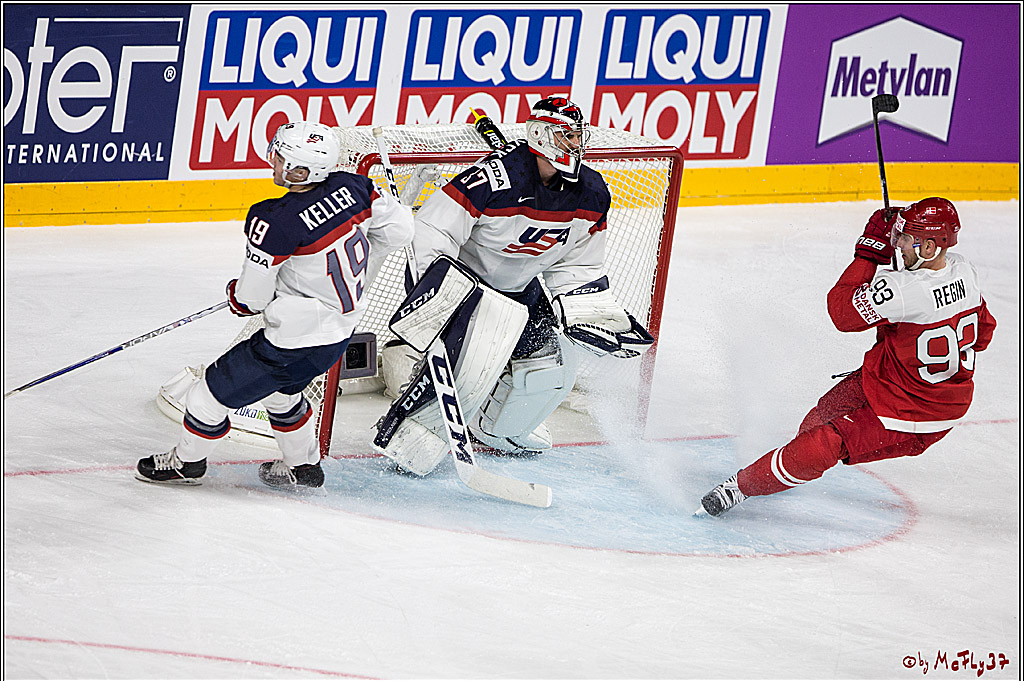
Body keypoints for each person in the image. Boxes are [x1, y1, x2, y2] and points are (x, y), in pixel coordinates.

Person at [372, 96, 653, 476]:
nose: (574, 144)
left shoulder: (590, 192)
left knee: (550, 369)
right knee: (469, 368)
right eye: (564, 135)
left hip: (521, 286)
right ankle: (413, 433)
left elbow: (579, 263)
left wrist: (586, 309)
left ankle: (495, 430)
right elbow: (432, 231)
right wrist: (442, 292)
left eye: (576, 135)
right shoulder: (489, 180)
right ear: (539, 135)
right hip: (460, 282)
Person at [137, 121, 414, 488]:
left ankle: (186, 464)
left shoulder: (274, 219)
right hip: (337, 334)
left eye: (281, 157)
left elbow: (252, 299)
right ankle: (304, 467)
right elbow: (400, 231)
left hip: (292, 341)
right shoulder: (357, 186)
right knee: (282, 395)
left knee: (207, 395)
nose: (274, 161)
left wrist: (238, 295)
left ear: (301, 170)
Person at [698, 198, 997, 516]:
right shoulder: (965, 271)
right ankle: (783, 469)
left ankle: (738, 489)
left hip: (916, 415)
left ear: (929, 248)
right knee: (823, 415)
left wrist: (868, 254)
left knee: (825, 442)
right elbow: (985, 333)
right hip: (900, 384)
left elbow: (842, 313)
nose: (898, 244)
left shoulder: (903, 290)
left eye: (906, 238)